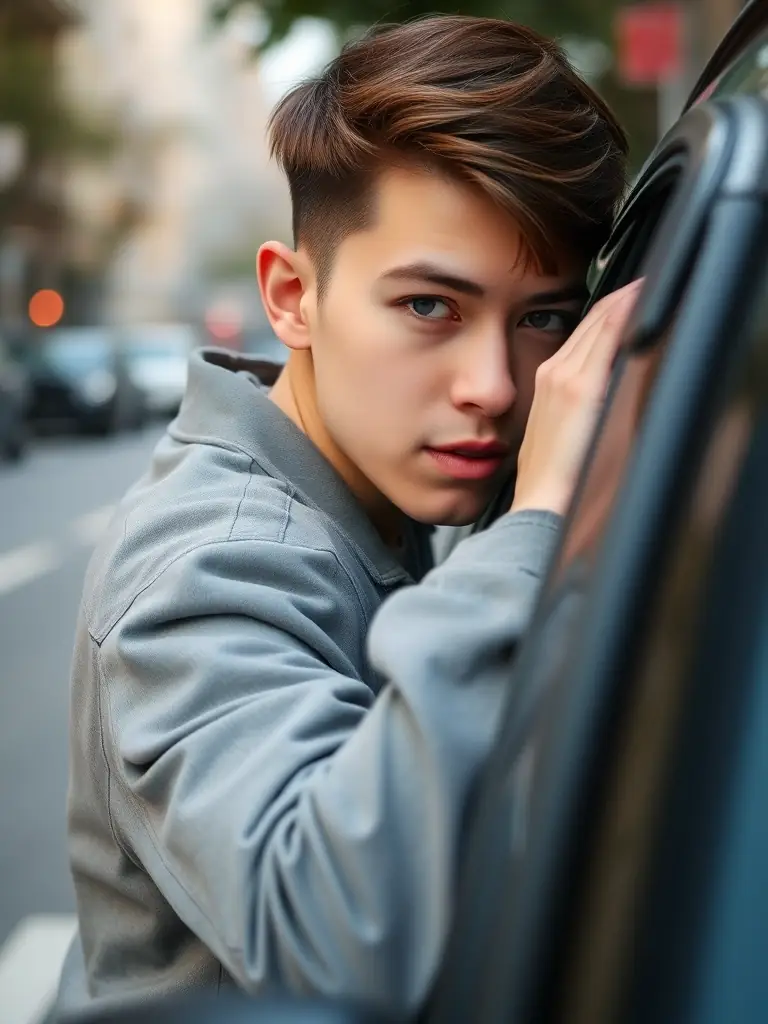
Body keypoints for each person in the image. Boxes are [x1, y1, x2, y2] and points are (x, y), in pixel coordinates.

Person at [58, 14, 636, 1018]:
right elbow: (335, 940)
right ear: (291, 297)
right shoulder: (215, 561)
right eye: (428, 307)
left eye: (544, 315)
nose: (495, 388)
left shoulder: (384, 489)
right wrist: (541, 518)